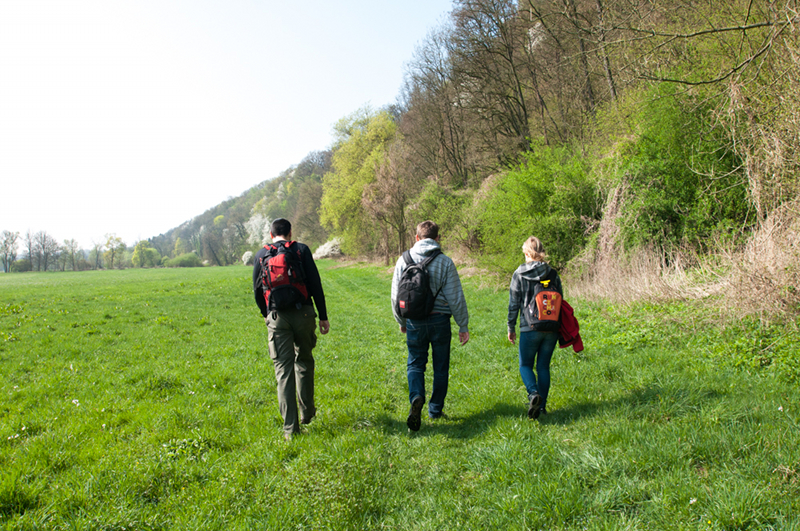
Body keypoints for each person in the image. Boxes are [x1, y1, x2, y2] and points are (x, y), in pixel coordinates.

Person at [253, 218, 330, 441]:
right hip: (304, 314)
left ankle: (290, 429)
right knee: (304, 360)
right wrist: (323, 316)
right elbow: (315, 284)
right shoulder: (301, 250)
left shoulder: (261, 255)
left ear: (270, 234)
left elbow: (258, 291)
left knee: (283, 371)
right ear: (290, 232)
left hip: (277, 317)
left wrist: (267, 315)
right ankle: (307, 413)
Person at [391, 220, 469, 432]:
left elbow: (395, 296)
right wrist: (463, 325)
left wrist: (402, 321)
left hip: (414, 321)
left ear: (416, 238)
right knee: (440, 366)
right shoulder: (445, 262)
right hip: (440, 321)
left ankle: (416, 397)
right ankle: (435, 409)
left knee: (415, 363)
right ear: (437, 238)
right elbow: (456, 297)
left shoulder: (404, 259)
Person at [507, 236, 563, 420]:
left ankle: (533, 395)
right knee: (543, 367)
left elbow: (513, 304)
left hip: (529, 326)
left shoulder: (519, 274)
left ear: (526, 252)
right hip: (551, 326)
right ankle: (542, 407)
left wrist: (511, 326)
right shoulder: (552, 273)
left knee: (525, 365)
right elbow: (561, 298)